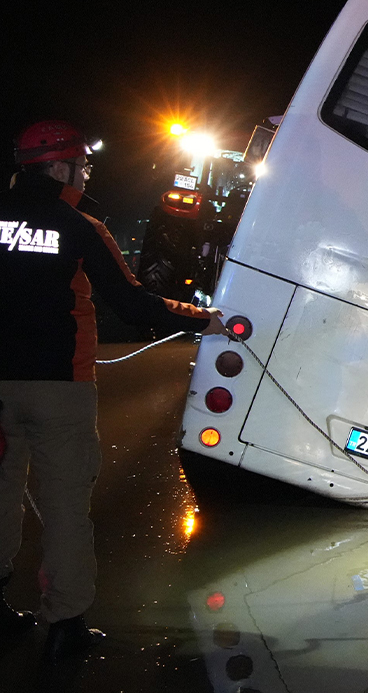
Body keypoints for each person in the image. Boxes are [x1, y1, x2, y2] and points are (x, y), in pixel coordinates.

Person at [0, 120, 224, 661]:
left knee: (1, 494)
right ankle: (64, 622)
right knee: (66, 505)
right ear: (60, 167)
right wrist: (201, 318)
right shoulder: (79, 226)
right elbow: (131, 302)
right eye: (82, 164)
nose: (86, 173)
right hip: (60, 388)